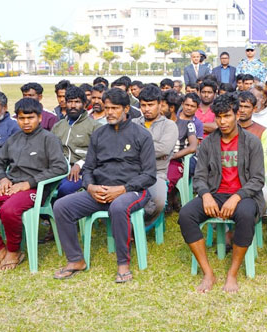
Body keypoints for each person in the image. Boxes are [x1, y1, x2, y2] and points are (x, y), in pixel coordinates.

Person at [52, 88, 157, 284]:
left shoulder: (141, 135)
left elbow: (149, 175)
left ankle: (123, 263)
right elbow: (89, 167)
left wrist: (122, 189)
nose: (109, 112)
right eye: (107, 108)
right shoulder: (99, 134)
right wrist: (90, 187)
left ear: (126, 108)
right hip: (100, 191)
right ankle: (75, 260)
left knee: (118, 207)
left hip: (132, 191)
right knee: (61, 206)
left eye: (115, 108)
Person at [0, 98, 68, 271]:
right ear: (16, 119)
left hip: (35, 189)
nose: (26, 122)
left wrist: (29, 183)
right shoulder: (13, 139)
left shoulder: (49, 139)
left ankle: (14, 250)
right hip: (10, 186)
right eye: (21, 118)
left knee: (8, 210)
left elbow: (60, 167)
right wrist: (3, 178)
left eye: (30, 118)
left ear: (40, 118)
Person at [179, 94, 266, 293]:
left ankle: (232, 274)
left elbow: (257, 179)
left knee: (245, 214)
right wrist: (206, 195)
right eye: (218, 117)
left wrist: (236, 197)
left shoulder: (252, 142)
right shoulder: (209, 143)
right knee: (186, 215)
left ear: (237, 115)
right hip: (215, 193)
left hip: (244, 195)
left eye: (227, 116)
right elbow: (199, 176)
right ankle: (208, 273)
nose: (222, 121)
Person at [133, 85, 178, 219]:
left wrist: (136, 148)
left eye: (150, 105)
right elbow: (124, 146)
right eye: (143, 105)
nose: (146, 109)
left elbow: (163, 149)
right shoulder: (134, 123)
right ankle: (130, 225)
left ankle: (144, 225)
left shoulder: (169, 125)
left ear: (160, 104)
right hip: (132, 171)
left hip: (156, 173)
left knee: (158, 202)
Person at [51, 85, 101, 199]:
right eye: (70, 102)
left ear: (84, 104)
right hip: (59, 170)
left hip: (83, 172)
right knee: (40, 186)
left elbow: (99, 152)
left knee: (65, 189)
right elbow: (50, 150)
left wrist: (79, 164)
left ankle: (62, 214)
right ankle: (46, 215)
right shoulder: (58, 126)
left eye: (77, 102)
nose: (73, 105)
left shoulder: (94, 126)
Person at [164, 90, 199, 205]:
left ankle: (164, 202)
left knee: (165, 181)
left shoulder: (187, 124)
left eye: (162, 106)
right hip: (157, 161)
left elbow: (193, 147)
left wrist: (172, 156)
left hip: (176, 161)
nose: (159, 109)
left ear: (172, 108)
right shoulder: (157, 123)